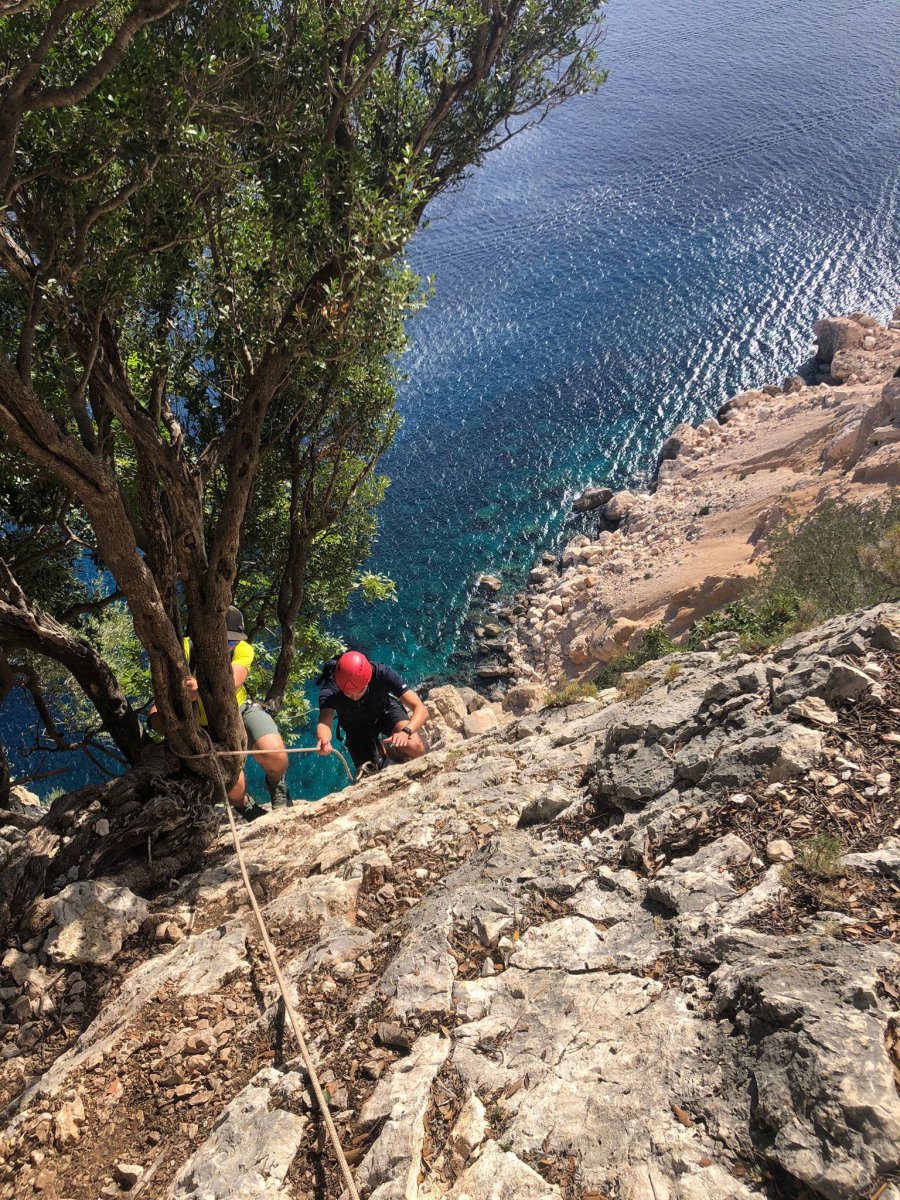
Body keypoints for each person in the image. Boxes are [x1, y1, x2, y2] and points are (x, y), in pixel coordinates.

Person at [149, 605, 291, 820]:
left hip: (238, 709)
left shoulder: (243, 649)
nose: (229, 646)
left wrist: (199, 693)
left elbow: (231, 683)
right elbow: (164, 695)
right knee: (234, 791)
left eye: (233, 641)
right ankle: (245, 805)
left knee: (275, 755)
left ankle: (277, 784)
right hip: (202, 726)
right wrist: (165, 717)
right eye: (226, 640)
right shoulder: (185, 649)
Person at [316, 650, 429, 777]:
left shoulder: (381, 673)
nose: (354, 697)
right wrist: (323, 740)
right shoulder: (331, 690)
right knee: (369, 773)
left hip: (384, 711)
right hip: (355, 727)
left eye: (359, 692)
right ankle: (381, 751)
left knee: (415, 748)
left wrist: (406, 731)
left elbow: (420, 708)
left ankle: (392, 751)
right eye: (348, 693)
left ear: (368, 680)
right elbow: (324, 721)